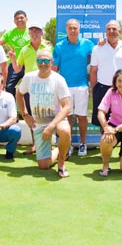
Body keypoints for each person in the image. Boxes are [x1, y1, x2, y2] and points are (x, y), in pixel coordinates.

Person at [17, 50, 72, 178]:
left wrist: (52, 126)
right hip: (39, 123)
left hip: (56, 121)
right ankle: (59, 149)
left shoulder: (59, 79)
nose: (43, 63)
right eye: (40, 60)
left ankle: (61, 165)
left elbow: (67, 107)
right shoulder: (29, 77)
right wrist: (25, 115)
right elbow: (19, 94)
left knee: (64, 130)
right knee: (43, 165)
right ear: (36, 62)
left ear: (52, 62)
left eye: (46, 60)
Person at [52, 19, 94, 156]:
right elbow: (54, 68)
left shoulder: (87, 44)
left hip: (82, 86)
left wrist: (101, 43)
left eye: (75, 28)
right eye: (70, 28)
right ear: (66, 29)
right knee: (68, 117)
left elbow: (98, 55)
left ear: (79, 29)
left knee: (82, 117)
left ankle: (83, 144)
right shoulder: (59, 46)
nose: (73, 30)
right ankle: (68, 144)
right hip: (65, 87)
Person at [10, 22, 52, 155]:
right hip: (29, 86)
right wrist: (12, 58)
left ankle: (47, 145)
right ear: (29, 34)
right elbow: (17, 69)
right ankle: (35, 144)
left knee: (46, 115)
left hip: (46, 86)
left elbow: (54, 65)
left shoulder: (48, 48)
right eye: (32, 31)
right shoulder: (24, 49)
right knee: (31, 117)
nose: (34, 33)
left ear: (41, 33)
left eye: (37, 31)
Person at [90, 21, 122, 127]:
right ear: (105, 32)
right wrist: (94, 89)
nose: (111, 31)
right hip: (102, 89)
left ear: (119, 31)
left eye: (114, 29)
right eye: (109, 29)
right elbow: (93, 71)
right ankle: (104, 142)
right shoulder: (97, 48)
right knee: (102, 121)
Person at [0, 10, 30, 96]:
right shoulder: (10, 33)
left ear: (26, 19)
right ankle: (11, 108)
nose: (19, 20)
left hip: (29, 63)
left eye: (22, 18)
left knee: (28, 88)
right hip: (15, 63)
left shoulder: (32, 31)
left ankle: (27, 109)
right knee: (9, 86)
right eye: (17, 18)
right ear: (14, 21)